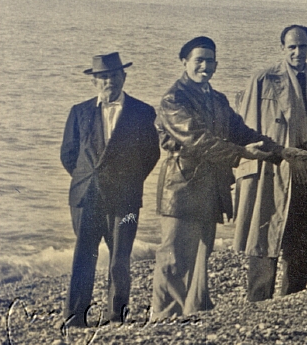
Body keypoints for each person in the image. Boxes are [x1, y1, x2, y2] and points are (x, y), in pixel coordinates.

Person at [152, 37, 281, 320]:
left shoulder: (216, 99)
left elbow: (239, 130)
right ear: (184, 62)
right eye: (198, 60)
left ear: (217, 64)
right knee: (174, 257)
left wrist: (272, 147)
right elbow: (197, 140)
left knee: (201, 253)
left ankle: (194, 312)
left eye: (210, 61)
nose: (205, 66)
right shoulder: (174, 99)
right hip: (181, 188)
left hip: (211, 188)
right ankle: (164, 317)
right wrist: (242, 153)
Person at [235, 25, 307, 300]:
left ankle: (292, 297)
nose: (297, 52)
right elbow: (247, 130)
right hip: (275, 169)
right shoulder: (264, 79)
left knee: (302, 237)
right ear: (282, 48)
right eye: (291, 47)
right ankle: (258, 299)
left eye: (302, 46)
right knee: (266, 235)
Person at [60, 52, 160, 327]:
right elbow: (68, 155)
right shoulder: (78, 112)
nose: (109, 82)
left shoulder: (142, 111)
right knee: (84, 257)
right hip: (85, 198)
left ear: (123, 77)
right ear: (94, 82)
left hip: (125, 200)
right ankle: (75, 317)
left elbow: (151, 154)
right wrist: (89, 178)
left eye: (114, 76)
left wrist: (127, 180)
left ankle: (116, 316)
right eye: (102, 77)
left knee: (120, 258)